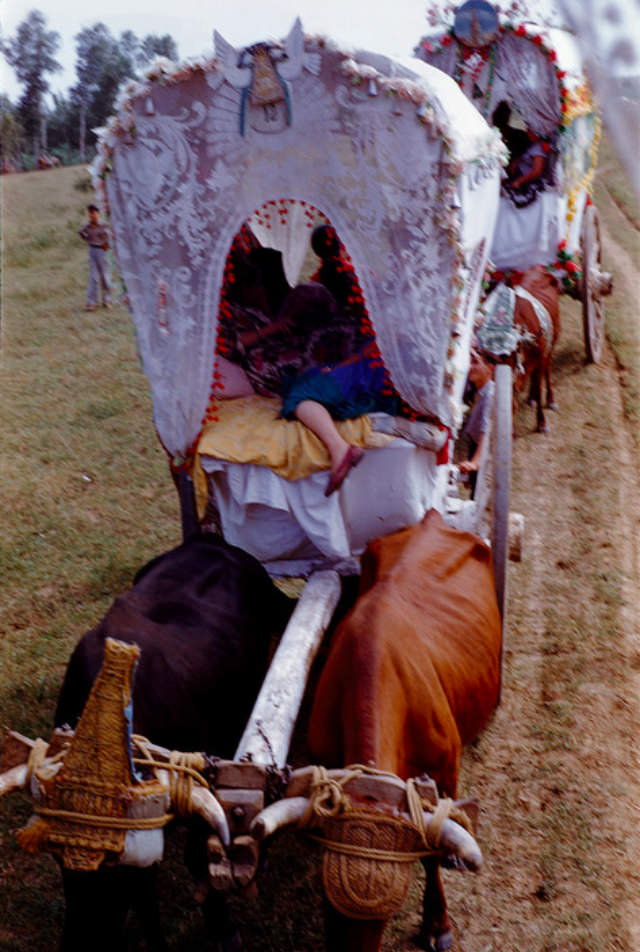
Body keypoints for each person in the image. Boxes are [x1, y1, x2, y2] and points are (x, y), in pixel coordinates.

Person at [459, 349, 495, 498]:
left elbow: (486, 430)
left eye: (476, 363)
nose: (471, 367)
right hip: (476, 450)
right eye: (470, 363)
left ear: (490, 369)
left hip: (485, 457)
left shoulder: (490, 394)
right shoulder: (480, 393)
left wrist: (475, 463)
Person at [503, 127, 547, 208]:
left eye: (530, 131)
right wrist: (516, 161)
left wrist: (519, 181)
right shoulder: (533, 143)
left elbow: (537, 171)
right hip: (517, 174)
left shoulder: (539, 147)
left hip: (524, 181)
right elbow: (526, 156)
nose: (527, 131)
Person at [78, 204, 111, 310]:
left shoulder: (104, 225)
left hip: (103, 251)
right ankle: (92, 302)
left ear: (98, 213)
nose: (92, 215)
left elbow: (111, 235)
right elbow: (81, 232)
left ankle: (107, 300)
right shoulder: (88, 226)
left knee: (105, 276)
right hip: (93, 249)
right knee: (93, 277)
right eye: (90, 213)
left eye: (94, 213)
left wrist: (108, 244)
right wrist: (88, 240)